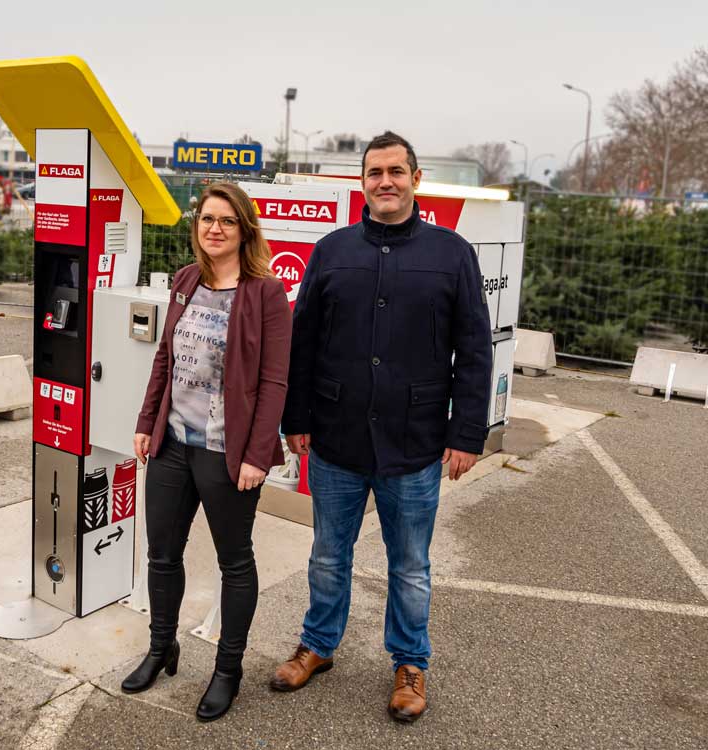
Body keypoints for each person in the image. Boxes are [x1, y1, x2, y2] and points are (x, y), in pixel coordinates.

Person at [270, 131, 492, 723]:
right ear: (361, 182)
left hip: (415, 442)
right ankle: (318, 646)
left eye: (396, 171)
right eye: (375, 173)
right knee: (326, 555)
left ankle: (410, 663)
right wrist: (297, 419)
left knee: (411, 565)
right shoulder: (332, 250)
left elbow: (474, 350)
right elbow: (304, 342)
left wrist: (466, 433)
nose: (385, 182)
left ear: (415, 180)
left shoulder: (452, 254)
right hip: (337, 437)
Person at [127, 183, 291, 722]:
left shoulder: (266, 293)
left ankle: (227, 670)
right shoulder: (185, 280)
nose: (214, 228)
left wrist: (257, 455)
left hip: (227, 453)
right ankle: (161, 647)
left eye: (226, 220)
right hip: (173, 445)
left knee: (234, 563)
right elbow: (164, 359)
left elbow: (273, 382)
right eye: (205, 219)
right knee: (161, 554)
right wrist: (147, 422)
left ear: (245, 229)